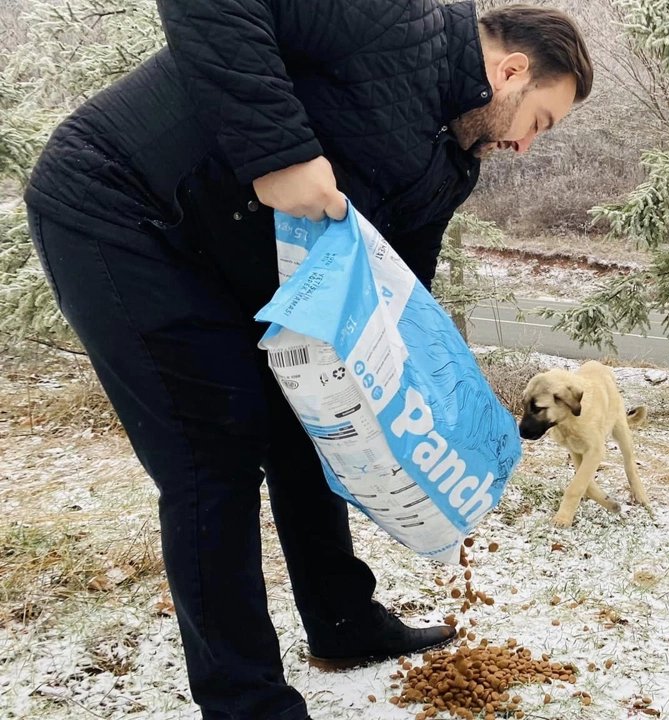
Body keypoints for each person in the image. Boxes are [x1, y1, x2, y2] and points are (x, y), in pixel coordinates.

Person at [22, 2, 592, 718]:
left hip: (229, 254)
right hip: (119, 206)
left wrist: (417, 396)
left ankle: (343, 621)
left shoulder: (452, 164)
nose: (526, 146)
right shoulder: (398, 21)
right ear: (510, 72)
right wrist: (282, 154)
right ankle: (246, 701)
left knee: (322, 421)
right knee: (212, 453)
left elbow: (394, 290)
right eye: (538, 122)